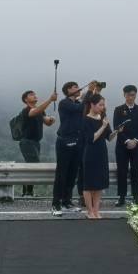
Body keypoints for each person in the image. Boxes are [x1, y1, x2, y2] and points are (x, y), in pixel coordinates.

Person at [15, 89, 56, 198]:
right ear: (26, 99)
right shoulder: (26, 110)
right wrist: (50, 100)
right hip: (27, 142)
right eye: (31, 95)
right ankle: (28, 192)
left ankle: (27, 192)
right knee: (33, 165)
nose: (34, 95)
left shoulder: (40, 110)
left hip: (36, 142)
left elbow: (47, 122)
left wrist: (51, 119)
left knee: (31, 166)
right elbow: (33, 112)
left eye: (35, 94)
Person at [52, 81, 85, 213]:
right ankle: (56, 203)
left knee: (72, 173)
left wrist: (94, 93)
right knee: (62, 173)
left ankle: (67, 201)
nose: (78, 88)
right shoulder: (64, 103)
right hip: (65, 140)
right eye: (75, 87)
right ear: (68, 90)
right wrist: (86, 94)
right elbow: (77, 109)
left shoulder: (78, 103)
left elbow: (84, 108)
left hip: (78, 140)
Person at [79, 92, 113, 219]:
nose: (102, 107)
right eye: (100, 105)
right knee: (89, 183)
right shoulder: (85, 119)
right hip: (90, 152)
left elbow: (109, 137)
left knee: (99, 183)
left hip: (102, 152)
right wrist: (103, 126)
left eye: (103, 105)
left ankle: (96, 210)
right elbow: (91, 138)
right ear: (92, 105)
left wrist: (117, 131)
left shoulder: (103, 117)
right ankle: (89, 211)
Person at [112, 85, 138, 206]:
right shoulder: (118, 109)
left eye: (133, 95)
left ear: (136, 95)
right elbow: (116, 127)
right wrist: (127, 141)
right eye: (128, 95)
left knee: (136, 170)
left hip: (137, 145)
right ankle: (121, 197)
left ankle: (136, 196)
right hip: (122, 145)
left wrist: (135, 140)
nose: (130, 97)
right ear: (124, 95)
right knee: (121, 171)